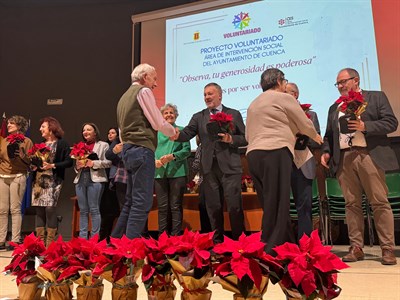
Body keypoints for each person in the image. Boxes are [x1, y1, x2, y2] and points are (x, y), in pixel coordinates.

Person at [321, 68, 398, 265]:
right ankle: (356, 247)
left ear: (356, 80)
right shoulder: (334, 108)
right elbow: (329, 135)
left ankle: (387, 248)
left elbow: (391, 122)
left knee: (379, 202)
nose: (340, 87)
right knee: (351, 204)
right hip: (345, 158)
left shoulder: (375, 97)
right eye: (337, 84)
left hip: (369, 155)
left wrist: (366, 127)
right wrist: (326, 152)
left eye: (343, 82)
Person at [246, 69, 322, 255]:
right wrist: (316, 137)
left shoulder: (253, 103)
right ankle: (272, 248)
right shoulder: (284, 98)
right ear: (279, 81)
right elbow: (304, 124)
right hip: (275, 151)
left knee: (269, 201)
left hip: (253, 154)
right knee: (280, 202)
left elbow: (248, 135)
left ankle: (285, 242)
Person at [172, 82, 247, 243]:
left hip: (230, 168)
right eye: (205, 94)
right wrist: (174, 133)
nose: (207, 97)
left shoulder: (233, 113)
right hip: (209, 169)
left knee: (234, 207)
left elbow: (245, 137)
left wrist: (231, 138)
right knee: (213, 208)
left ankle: (240, 244)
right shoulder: (199, 116)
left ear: (220, 95)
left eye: (210, 93)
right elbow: (186, 133)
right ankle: (217, 244)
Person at [112, 63, 175, 239]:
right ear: (145, 77)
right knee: (142, 202)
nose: (155, 84)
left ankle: (114, 244)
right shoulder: (143, 91)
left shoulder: (123, 98)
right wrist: (172, 132)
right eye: (154, 79)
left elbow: (121, 131)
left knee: (130, 201)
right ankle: (129, 249)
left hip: (129, 150)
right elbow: (157, 121)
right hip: (142, 149)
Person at [286, 82, 321, 241]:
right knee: (283, 207)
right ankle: (287, 244)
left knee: (304, 206)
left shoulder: (310, 115)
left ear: (296, 95)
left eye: (288, 92)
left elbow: (317, 140)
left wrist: (304, 137)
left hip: (304, 162)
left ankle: (305, 244)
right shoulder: (279, 113)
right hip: (284, 162)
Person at [31, 117, 73, 246]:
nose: (40, 129)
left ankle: (50, 243)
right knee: (39, 209)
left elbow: (69, 162)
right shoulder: (40, 144)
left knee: (50, 208)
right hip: (39, 180)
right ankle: (39, 243)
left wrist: (52, 165)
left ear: (51, 128)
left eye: (43, 127)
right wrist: (34, 166)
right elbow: (34, 161)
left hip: (54, 180)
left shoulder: (62, 144)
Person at [154, 103, 191, 236]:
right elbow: (150, 150)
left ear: (176, 115)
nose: (169, 114)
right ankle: (162, 237)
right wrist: (154, 161)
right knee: (162, 207)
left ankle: (175, 237)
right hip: (159, 173)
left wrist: (173, 156)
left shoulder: (182, 130)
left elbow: (187, 151)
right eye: (166, 113)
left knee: (175, 206)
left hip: (178, 173)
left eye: (172, 112)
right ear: (162, 116)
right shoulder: (156, 133)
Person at [0, 115, 33, 250]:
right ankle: (1, 240)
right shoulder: (3, 140)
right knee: (2, 210)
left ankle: (15, 240)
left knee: (15, 209)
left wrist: (22, 155)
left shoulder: (26, 141)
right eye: (8, 123)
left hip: (18, 176)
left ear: (19, 126)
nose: (8, 125)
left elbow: (30, 161)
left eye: (11, 123)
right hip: (2, 175)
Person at [74, 123, 111, 239]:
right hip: (81, 179)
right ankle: (82, 238)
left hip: (95, 179)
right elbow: (76, 166)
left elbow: (108, 162)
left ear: (95, 132)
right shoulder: (79, 146)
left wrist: (93, 163)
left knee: (94, 209)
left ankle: (94, 238)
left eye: (89, 130)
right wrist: (77, 166)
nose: (85, 132)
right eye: (84, 130)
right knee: (83, 210)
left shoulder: (103, 145)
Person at [99, 127, 120, 242]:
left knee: (115, 212)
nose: (110, 135)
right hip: (104, 182)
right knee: (106, 212)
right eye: (108, 132)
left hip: (115, 182)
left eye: (113, 133)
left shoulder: (120, 146)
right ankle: (103, 237)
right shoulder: (105, 147)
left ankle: (113, 237)